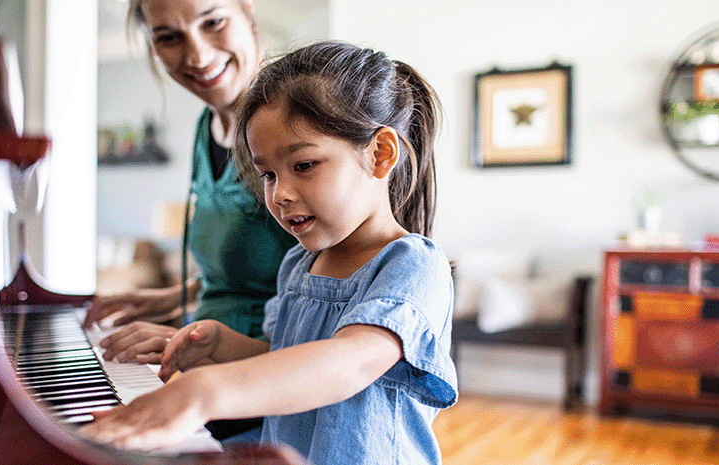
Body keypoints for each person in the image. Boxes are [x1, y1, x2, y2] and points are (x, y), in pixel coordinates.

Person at [81, 41, 458, 464]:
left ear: (380, 153)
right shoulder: (299, 262)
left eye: (303, 166)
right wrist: (218, 344)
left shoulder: (412, 265)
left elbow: (348, 363)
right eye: (268, 174)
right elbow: (286, 360)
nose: (279, 194)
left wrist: (206, 391)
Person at [84, 0, 295, 368]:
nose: (197, 55)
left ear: (248, 11)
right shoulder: (206, 126)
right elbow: (257, 268)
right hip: (205, 370)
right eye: (168, 37)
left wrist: (188, 338)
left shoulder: (291, 125)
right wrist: (173, 296)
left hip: (263, 381)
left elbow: (330, 293)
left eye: (212, 22)